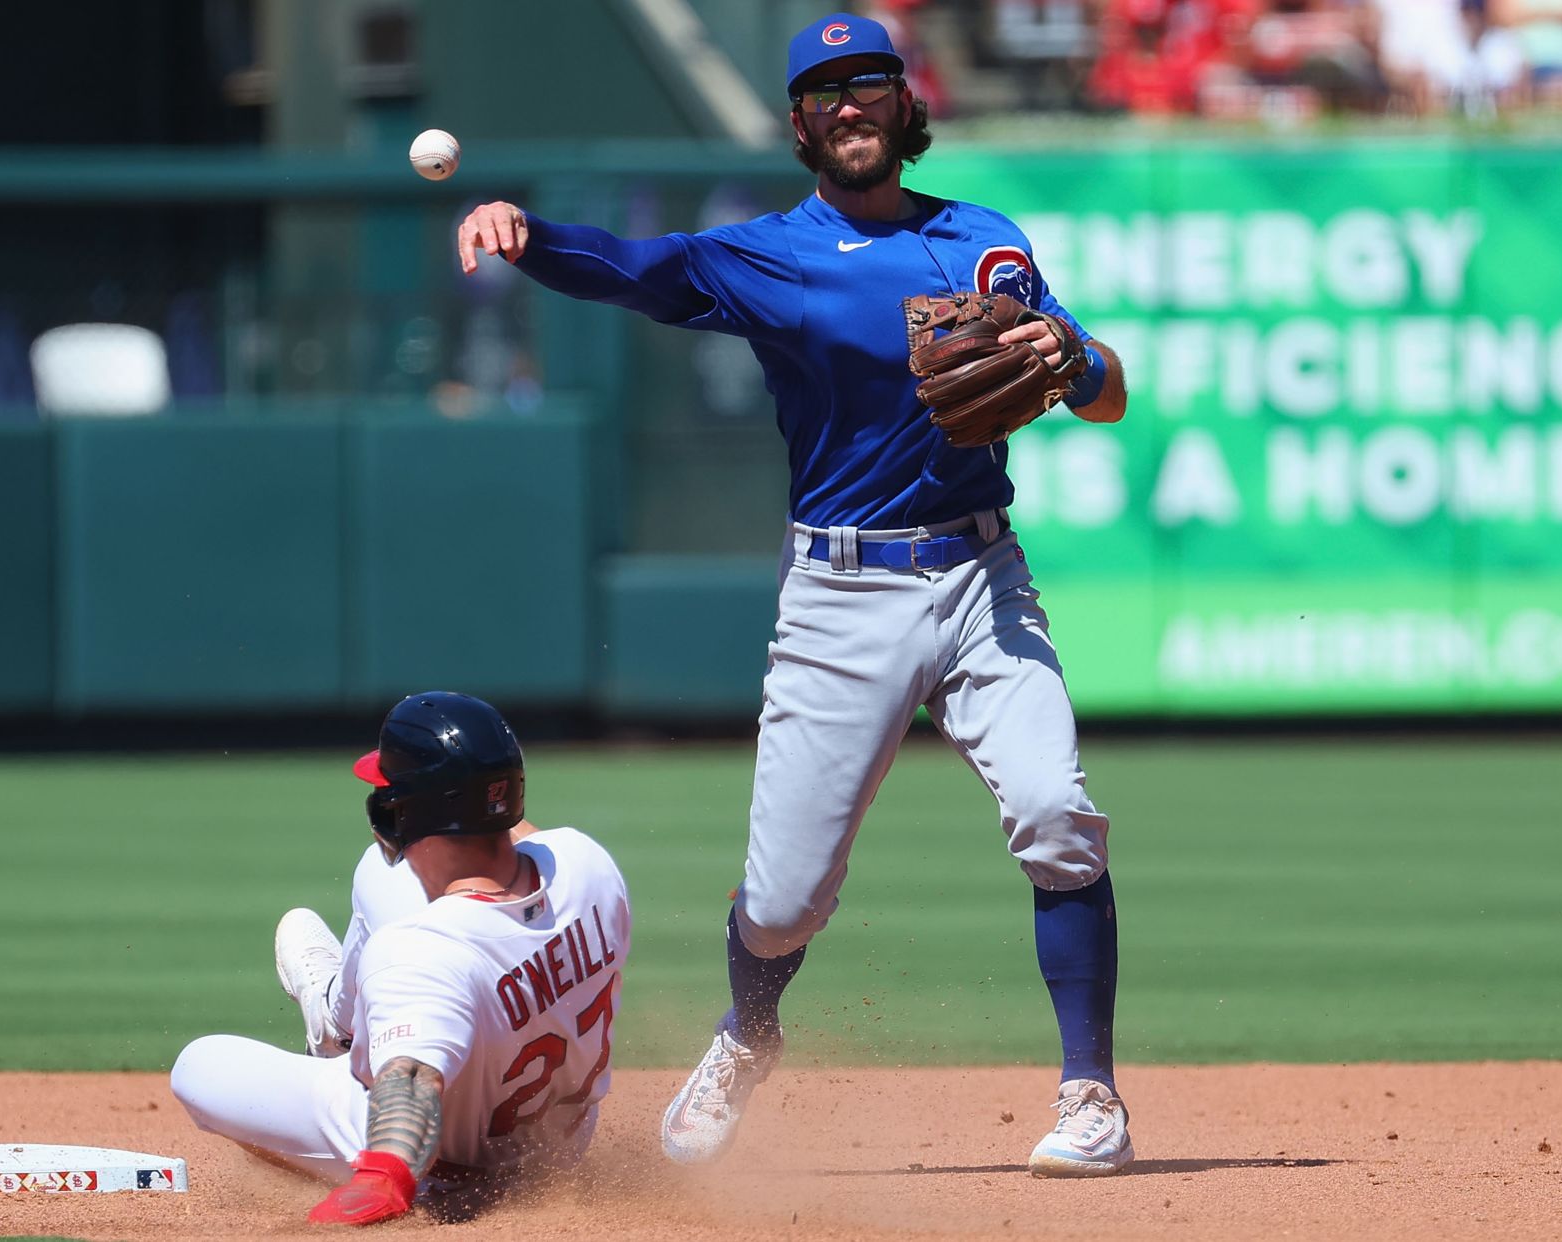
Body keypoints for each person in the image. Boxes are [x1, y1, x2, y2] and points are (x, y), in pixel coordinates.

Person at [453, 12, 1133, 1178]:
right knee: (779, 906)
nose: (850, 105)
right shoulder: (767, 254)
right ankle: (746, 1033)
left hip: (979, 573)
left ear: (903, 103)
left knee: (1058, 816)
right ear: (802, 125)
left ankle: (1092, 1096)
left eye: (868, 82)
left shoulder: (988, 244)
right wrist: (525, 235)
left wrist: (1074, 361)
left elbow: (1106, 393)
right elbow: (632, 268)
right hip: (839, 595)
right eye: (824, 93)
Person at [169, 691, 634, 1225]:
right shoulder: (589, 863)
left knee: (199, 1066)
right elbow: (522, 839)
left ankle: (338, 1026)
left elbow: (411, 1080)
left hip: (446, 1169)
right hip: (560, 1149)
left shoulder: (416, 952)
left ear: (399, 813)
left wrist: (383, 1177)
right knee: (383, 876)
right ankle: (345, 1020)